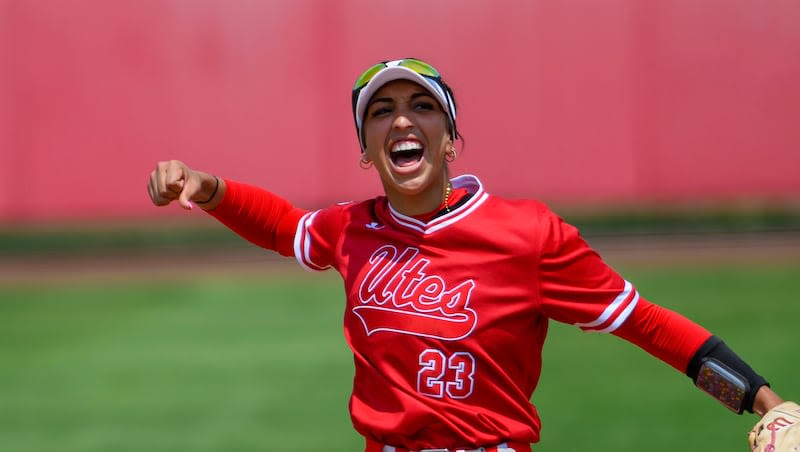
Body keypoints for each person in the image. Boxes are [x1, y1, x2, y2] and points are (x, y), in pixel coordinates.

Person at [147, 58, 798, 452]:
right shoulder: (351, 230)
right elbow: (285, 227)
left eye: (422, 106)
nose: (402, 121)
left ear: (451, 140)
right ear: (365, 150)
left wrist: (764, 402)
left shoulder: (527, 235)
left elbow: (645, 322)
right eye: (382, 112)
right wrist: (207, 189)